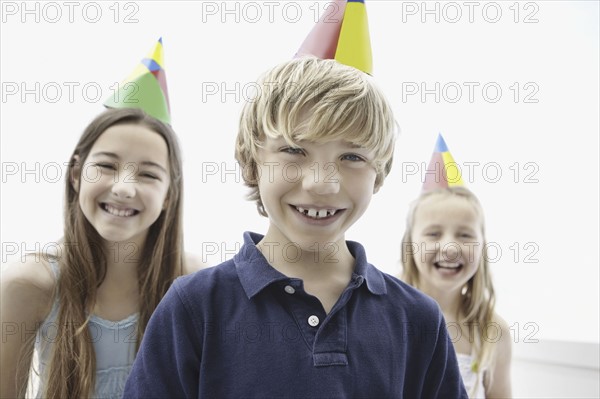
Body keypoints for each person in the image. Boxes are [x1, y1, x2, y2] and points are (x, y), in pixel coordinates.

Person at [123, 56, 467, 398]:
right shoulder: (194, 307)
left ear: (379, 172)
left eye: (352, 157)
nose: (322, 184)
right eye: (293, 150)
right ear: (252, 161)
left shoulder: (419, 321)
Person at [0, 39, 205, 399]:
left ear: (169, 195)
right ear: (76, 175)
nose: (124, 187)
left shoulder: (190, 281)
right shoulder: (28, 284)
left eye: (148, 174)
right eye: (107, 166)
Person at [401, 134, 512, 398]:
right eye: (433, 234)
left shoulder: (492, 331)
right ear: (410, 244)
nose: (450, 248)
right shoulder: (389, 316)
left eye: (465, 235)